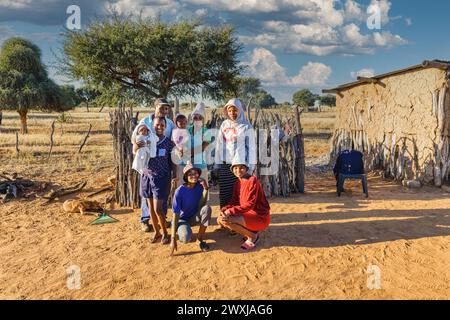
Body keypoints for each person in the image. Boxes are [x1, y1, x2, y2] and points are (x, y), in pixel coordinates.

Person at [132, 98, 175, 232]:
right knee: (148, 195)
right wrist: (135, 146)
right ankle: (145, 220)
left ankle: (161, 218)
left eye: (166, 108)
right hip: (147, 163)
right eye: (161, 108)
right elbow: (135, 136)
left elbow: (172, 141)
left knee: (160, 195)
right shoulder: (145, 121)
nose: (163, 110)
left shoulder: (170, 123)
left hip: (162, 162)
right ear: (155, 107)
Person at [217, 161, 270, 251]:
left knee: (227, 221)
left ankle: (253, 236)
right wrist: (225, 209)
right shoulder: (238, 182)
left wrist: (230, 211)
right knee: (220, 219)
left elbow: (250, 204)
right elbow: (234, 202)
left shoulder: (252, 180)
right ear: (232, 170)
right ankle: (251, 230)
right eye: (235, 168)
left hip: (260, 216)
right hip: (246, 214)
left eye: (241, 167)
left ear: (246, 169)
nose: (238, 170)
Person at [139, 116, 177, 244]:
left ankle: (165, 233)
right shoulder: (147, 140)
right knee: (150, 208)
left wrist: (174, 176)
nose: (159, 127)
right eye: (157, 125)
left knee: (158, 209)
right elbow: (137, 150)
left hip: (161, 177)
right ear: (152, 126)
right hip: (147, 176)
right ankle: (157, 233)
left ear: (165, 127)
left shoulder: (168, 143)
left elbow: (173, 161)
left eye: (162, 125)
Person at [214, 98, 256, 209]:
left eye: (235, 110)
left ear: (240, 110)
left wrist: (250, 168)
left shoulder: (246, 126)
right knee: (225, 194)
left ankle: (237, 222)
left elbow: (251, 148)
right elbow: (219, 145)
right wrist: (217, 164)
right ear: (226, 111)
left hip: (240, 166)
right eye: (230, 111)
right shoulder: (224, 125)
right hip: (225, 165)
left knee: (239, 194)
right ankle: (225, 220)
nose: (232, 113)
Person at [170, 162, 211, 255]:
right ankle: (180, 231)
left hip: (193, 217)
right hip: (181, 220)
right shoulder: (180, 191)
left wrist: (205, 189)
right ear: (186, 177)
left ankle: (200, 238)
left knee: (207, 208)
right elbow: (175, 215)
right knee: (185, 238)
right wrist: (172, 238)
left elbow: (201, 206)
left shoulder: (199, 186)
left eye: (195, 173)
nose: (194, 176)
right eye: (190, 174)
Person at [188, 102, 211, 183]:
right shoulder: (187, 129)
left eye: (200, 117)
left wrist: (187, 153)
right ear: (192, 119)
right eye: (195, 117)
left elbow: (202, 147)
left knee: (201, 187)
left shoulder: (206, 132)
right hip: (188, 165)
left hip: (201, 165)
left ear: (203, 119)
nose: (197, 119)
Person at [171, 114, 190, 188]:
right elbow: (173, 142)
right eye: (180, 123)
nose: (183, 125)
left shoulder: (187, 130)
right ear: (176, 123)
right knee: (179, 174)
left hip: (187, 155)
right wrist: (178, 149)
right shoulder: (174, 131)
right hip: (177, 155)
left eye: (184, 123)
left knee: (186, 173)